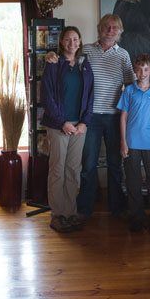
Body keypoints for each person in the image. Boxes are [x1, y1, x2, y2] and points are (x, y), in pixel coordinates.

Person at [46, 14, 134, 219]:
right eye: (106, 27)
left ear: (120, 32)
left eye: (114, 28)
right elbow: (65, 57)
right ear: (99, 29)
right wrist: (50, 54)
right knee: (88, 165)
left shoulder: (124, 55)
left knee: (114, 164)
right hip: (89, 118)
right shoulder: (86, 50)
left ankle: (116, 208)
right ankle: (84, 209)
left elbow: (130, 87)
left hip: (114, 117)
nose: (110, 30)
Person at [40, 26, 94, 233]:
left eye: (75, 39)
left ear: (80, 42)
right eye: (68, 39)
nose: (72, 43)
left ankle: (70, 213)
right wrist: (63, 122)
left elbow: (90, 96)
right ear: (62, 42)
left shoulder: (85, 65)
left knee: (74, 170)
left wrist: (84, 122)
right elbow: (47, 97)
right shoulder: (54, 63)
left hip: (79, 127)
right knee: (57, 170)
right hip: (59, 126)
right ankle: (58, 214)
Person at [117, 54, 150, 232]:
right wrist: (123, 142)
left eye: (146, 69)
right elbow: (123, 117)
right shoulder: (129, 91)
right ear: (134, 71)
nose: (142, 73)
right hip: (132, 143)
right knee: (133, 182)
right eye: (138, 69)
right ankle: (136, 218)